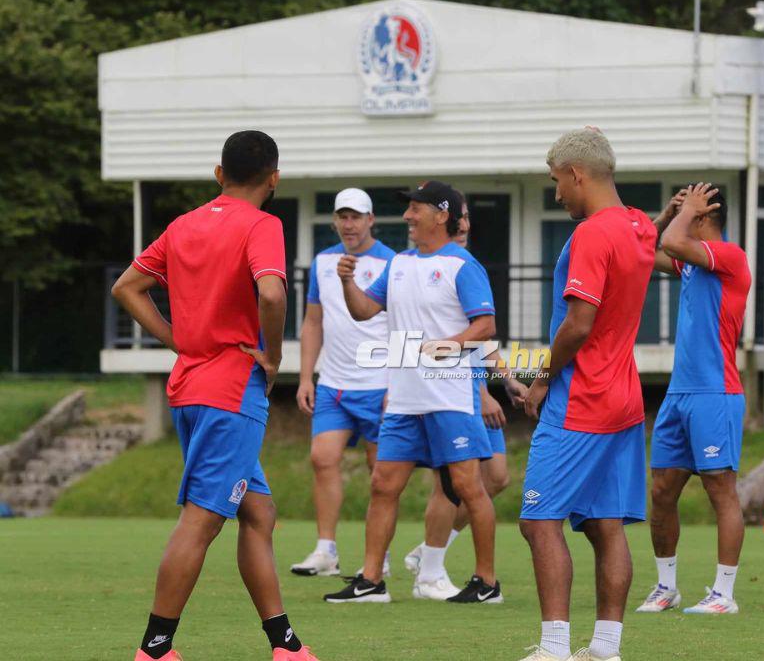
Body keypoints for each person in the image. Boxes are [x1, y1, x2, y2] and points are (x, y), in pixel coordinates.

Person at [111, 131, 318, 661]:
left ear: (218, 172)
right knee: (203, 519)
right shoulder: (263, 224)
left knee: (259, 512)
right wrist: (271, 355)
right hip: (231, 391)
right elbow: (271, 291)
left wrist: (174, 336)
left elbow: (127, 287)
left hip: (189, 387)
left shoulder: (183, 225)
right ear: (274, 178)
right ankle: (155, 649)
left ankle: (285, 645)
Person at [323, 180, 503, 605]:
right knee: (383, 484)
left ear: (441, 215)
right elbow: (365, 310)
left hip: (449, 398)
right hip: (404, 399)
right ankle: (370, 581)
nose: (407, 216)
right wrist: (348, 282)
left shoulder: (463, 265)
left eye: (416, 209)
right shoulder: (399, 263)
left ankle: (487, 583)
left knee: (468, 486)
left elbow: (485, 327)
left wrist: (444, 347)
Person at [518, 128, 655, 661]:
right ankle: (605, 649)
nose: (557, 194)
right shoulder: (639, 225)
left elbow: (578, 323)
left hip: (583, 398)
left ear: (577, 174)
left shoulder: (594, 234)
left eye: (557, 182)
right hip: (625, 397)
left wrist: (542, 376)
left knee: (538, 519)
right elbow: (648, 246)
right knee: (605, 524)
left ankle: (554, 649)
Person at [636, 183, 751, 616]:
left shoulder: (731, 257)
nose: (682, 213)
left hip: (715, 394)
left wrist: (680, 221)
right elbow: (643, 249)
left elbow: (671, 242)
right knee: (662, 490)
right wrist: (667, 212)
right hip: (679, 394)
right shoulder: (689, 263)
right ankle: (667, 587)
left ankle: (724, 594)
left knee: (721, 490)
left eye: (689, 209)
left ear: (704, 216)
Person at [403, 193, 527, 591]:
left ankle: (430, 551)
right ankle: (431, 570)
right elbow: (442, 338)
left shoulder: (463, 266)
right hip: (451, 392)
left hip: (471, 388)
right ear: (444, 219)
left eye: (470, 217)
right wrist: (482, 393)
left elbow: (479, 334)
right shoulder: (427, 267)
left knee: (496, 479)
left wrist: (505, 377)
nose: (467, 225)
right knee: (454, 485)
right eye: (462, 217)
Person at [290, 188, 396, 578]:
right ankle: (325, 550)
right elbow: (313, 321)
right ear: (335, 220)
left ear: (371, 220)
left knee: (381, 474)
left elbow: (403, 326)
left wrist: (395, 385)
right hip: (333, 383)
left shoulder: (393, 263)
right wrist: (305, 377)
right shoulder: (322, 262)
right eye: (342, 217)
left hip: (379, 385)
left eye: (356, 217)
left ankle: (377, 557)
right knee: (322, 459)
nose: (349, 224)